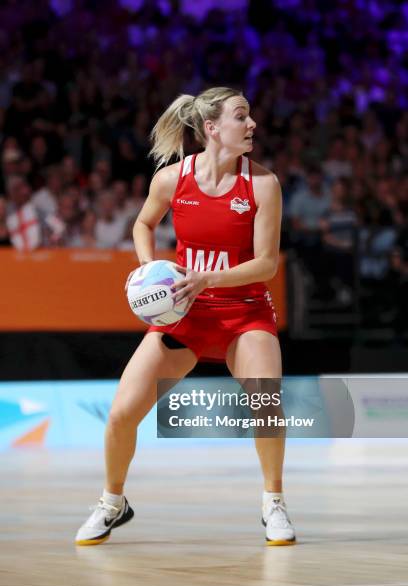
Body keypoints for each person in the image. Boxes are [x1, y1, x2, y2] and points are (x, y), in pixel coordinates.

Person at [75, 87, 296, 547]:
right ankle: (112, 503)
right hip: (184, 315)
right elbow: (142, 224)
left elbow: (267, 265)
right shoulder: (172, 179)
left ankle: (273, 502)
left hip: (244, 311)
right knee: (120, 416)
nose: (252, 124)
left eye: (250, 116)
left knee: (267, 406)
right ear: (212, 128)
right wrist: (146, 269)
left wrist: (206, 280)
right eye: (242, 116)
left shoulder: (263, 184)